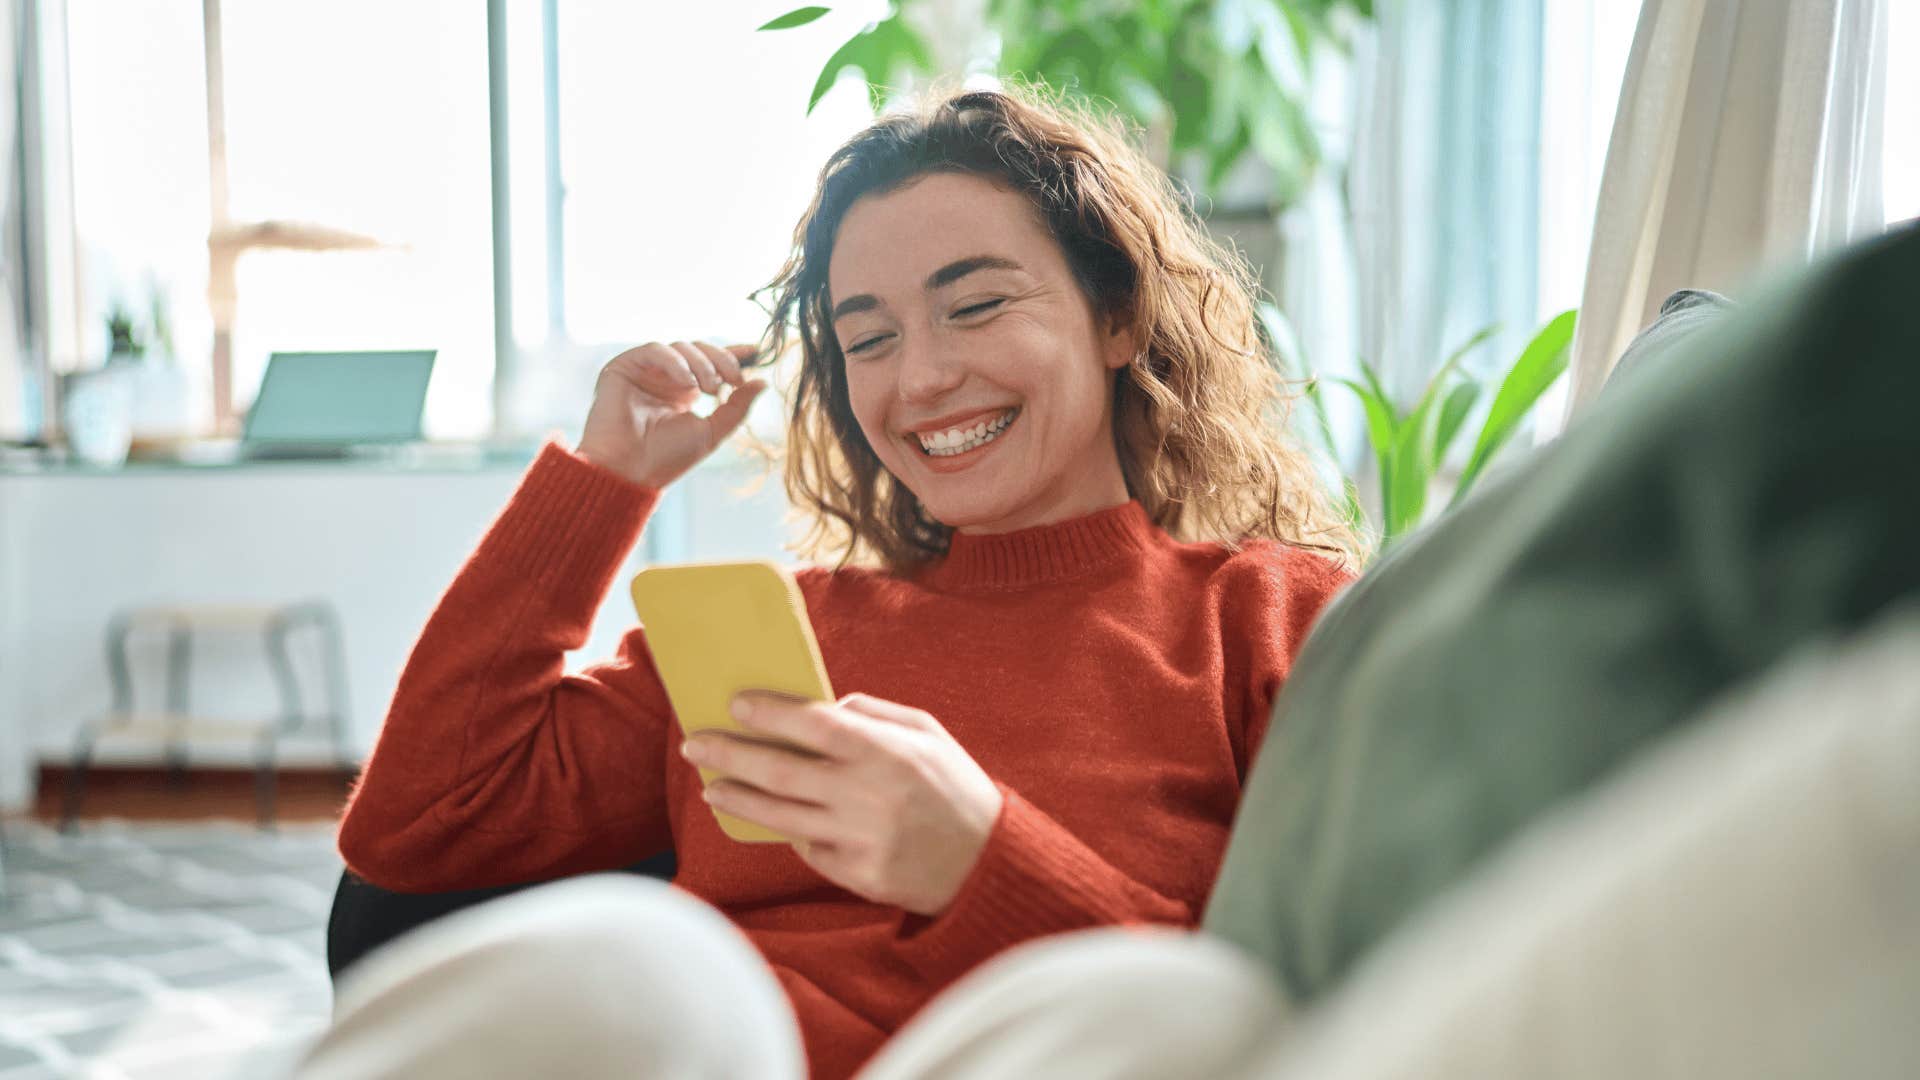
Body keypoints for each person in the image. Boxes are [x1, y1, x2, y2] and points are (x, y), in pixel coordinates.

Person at [310, 86, 1359, 1080]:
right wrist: (601, 487)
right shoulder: (782, 638)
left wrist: (982, 863)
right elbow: (415, 826)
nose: (921, 379)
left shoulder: (1270, 620)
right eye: (869, 339)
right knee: (644, 960)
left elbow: (1317, 1008)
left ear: (1117, 315)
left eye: (977, 304)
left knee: (1197, 1007)